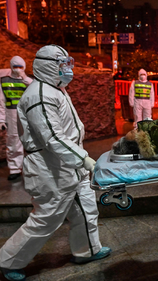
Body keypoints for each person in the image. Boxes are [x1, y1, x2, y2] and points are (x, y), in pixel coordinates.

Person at [0, 45, 111, 281]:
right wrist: (84, 159)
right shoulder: (39, 95)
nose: (68, 70)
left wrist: (80, 160)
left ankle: (87, 250)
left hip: (69, 162)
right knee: (47, 217)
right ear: (49, 66)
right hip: (49, 167)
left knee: (85, 209)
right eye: (63, 65)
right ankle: (8, 261)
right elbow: (52, 136)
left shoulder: (55, 89)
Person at [0, 56, 32, 181]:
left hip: (28, 113)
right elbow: (1, 101)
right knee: (13, 141)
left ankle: (36, 169)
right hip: (11, 113)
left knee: (33, 141)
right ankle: (15, 169)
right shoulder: (3, 80)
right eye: (15, 67)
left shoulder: (28, 80)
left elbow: (36, 90)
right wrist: (1, 119)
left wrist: (24, 77)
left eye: (20, 67)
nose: (18, 69)